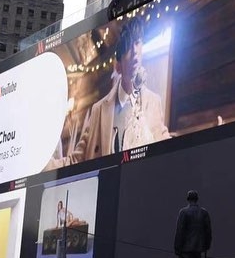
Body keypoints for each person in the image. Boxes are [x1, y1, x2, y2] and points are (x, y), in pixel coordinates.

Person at [48, 17, 172, 169]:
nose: (134, 52)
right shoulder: (98, 110)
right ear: (118, 66)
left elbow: (167, 149)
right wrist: (39, 167)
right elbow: (75, 162)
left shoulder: (153, 102)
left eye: (138, 42)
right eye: (128, 48)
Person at [174, 190, 212, 258]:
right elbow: (208, 231)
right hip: (198, 248)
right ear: (197, 199)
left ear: (188, 199)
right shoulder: (204, 212)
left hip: (186, 248)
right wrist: (206, 245)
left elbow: (180, 231)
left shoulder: (184, 212)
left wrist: (177, 248)